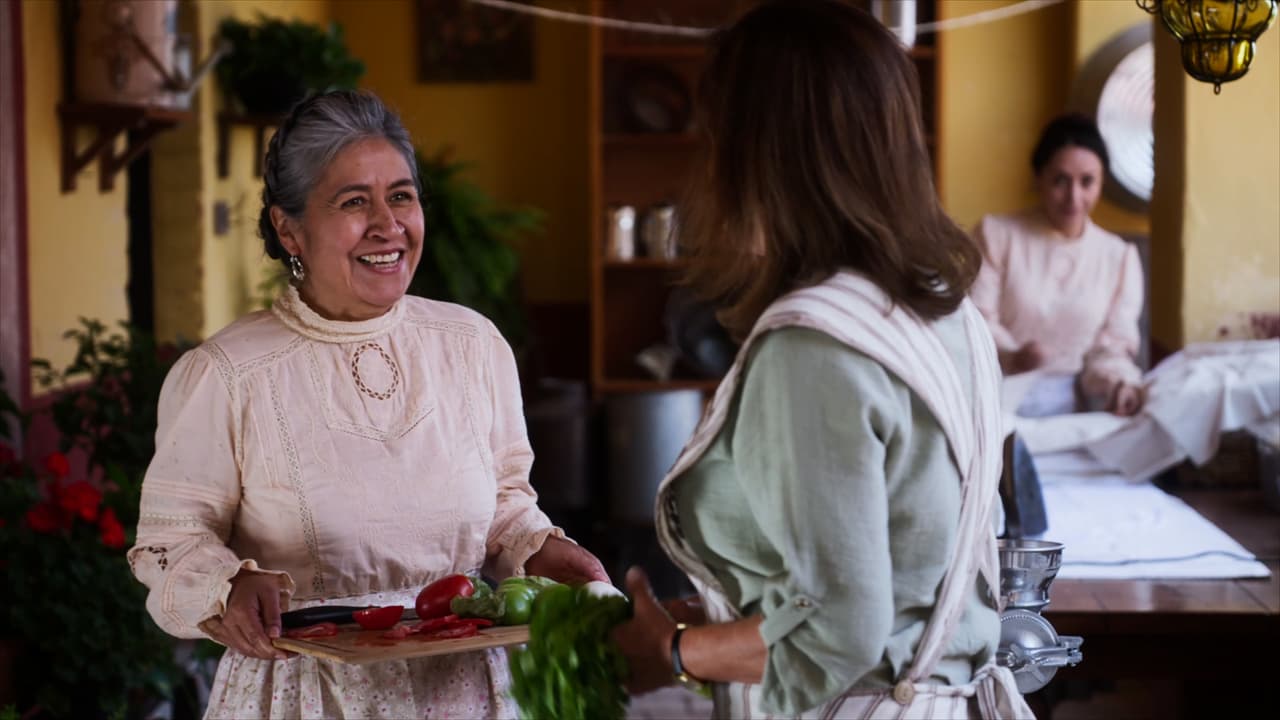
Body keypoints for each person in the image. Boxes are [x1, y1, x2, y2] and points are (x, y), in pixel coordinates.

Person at [127, 90, 607, 720]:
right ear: (287, 227)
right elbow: (172, 541)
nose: (388, 224)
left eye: (401, 196)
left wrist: (541, 548)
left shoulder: (471, 346)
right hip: (304, 694)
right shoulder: (228, 374)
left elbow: (502, 505)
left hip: (463, 686)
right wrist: (228, 586)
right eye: (354, 202)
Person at [610, 2, 1033, 718]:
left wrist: (673, 653)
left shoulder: (813, 348)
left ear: (761, 154)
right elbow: (899, 575)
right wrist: (721, 611)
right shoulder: (944, 312)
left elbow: (843, 629)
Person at [969, 113, 1146, 417]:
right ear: (1039, 177)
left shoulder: (1117, 257)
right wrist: (1013, 358)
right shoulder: (996, 235)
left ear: (1102, 182)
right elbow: (975, 320)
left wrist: (1119, 384)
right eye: (1060, 181)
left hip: (1066, 410)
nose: (1073, 197)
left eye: (1087, 182)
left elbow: (1110, 349)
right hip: (990, 398)